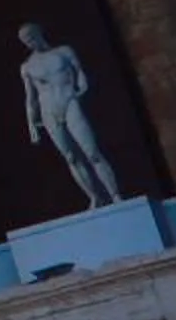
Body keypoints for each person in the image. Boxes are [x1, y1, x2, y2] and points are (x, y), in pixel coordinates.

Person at [19, 22, 122, 208]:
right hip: (48, 109)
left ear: (39, 33)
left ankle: (115, 195)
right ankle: (95, 197)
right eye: (25, 41)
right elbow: (30, 98)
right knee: (71, 157)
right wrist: (31, 126)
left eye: (31, 37)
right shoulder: (27, 67)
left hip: (69, 100)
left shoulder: (63, 52)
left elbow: (80, 72)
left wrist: (82, 85)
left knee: (91, 151)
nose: (29, 42)